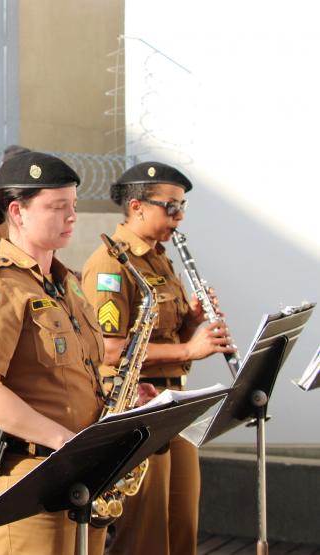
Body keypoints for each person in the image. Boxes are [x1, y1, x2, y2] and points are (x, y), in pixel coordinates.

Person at [0, 151, 110, 554]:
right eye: (58, 207)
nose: (72, 216)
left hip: (80, 477)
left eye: (73, 206)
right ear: (17, 213)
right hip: (33, 481)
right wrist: (63, 441)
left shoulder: (66, 283)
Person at [81, 161, 234, 555]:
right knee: (145, 535)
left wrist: (194, 325)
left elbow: (165, 336)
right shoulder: (110, 265)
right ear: (137, 206)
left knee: (181, 524)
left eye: (181, 207)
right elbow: (110, 350)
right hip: (140, 409)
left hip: (176, 404)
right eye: (171, 206)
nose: (179, 216)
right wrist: (188, 349)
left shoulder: (160, 259)